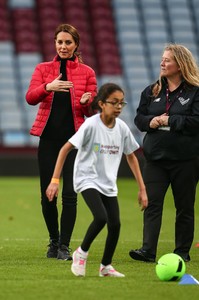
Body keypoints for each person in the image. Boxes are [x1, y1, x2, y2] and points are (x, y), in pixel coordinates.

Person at [46, 83, 148, 277]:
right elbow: (65, 149)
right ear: (101, 103)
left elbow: (132, 156)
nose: (118, 107)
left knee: (115, 224)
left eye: (121, 103)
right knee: (101, 217)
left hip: (108, 182)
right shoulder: (91, 124)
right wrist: (55, 180)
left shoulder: (122, 128)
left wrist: (142, 189)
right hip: (86, 178)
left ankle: (106, 267)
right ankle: (81, 253)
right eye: (114, 102)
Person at [26, 24, 97, 260]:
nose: (63, 46)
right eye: (59, 42)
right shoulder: (43, 69)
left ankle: (64, 246)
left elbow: (91, 111)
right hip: (48, 141)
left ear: (76, 44)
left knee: (70, 195)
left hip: (74, 143)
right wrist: (48, 87)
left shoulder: (87, 72)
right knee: (48, 194)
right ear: (55, 44)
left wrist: (88, 101)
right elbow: (30, 98)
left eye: (68, 42)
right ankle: (53, 242)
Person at [129, 43, 199, 263]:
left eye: (167, 59)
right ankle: (148, 250)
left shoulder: (195, 91)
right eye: (162, 59)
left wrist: (170, 120)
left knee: (184, 207)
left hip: (186, 160)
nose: (162, 63)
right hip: (156, 160)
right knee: (152, 204)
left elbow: (196, 121)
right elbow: (139, 120)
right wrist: (152, 121)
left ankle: (181, 252)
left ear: (180, 64)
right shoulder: (151, 91)